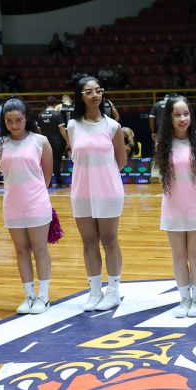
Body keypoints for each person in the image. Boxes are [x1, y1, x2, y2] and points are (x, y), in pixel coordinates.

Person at [60, 76, 126, 312]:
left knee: (109, 240)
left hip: (107, 190)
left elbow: (121, 161)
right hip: (82, 190)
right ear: (80, 96)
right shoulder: (72, 126)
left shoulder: (113, 126)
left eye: (98, 90)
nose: (95, 95)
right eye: (89, 92)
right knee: (88, 241)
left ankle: (114, 291)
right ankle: (95, 290)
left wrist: (103, 175)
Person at [154, 94, 196, 319]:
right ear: (169, 118)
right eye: (177, 115)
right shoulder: (163, 144)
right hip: (173, 205)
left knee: (195, 254)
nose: (183, 119)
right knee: (178, 255)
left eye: (186, 114)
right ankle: (184, 299)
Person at [0, 97, 55, 315]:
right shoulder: (1, 143)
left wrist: (37, 194)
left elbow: (47, 175)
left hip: (36, 202)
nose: (14, 125)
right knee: (21, 250)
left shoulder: (40, 141)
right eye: (9, 121)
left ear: (26, 118)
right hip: (12, 204)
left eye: (18, 120)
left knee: (40, 249)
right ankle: (29, 295)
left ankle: (44, 296)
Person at [37, 96, 68, 187]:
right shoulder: (57, 114)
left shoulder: (40, 115)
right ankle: (59, 182)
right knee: (56, 161)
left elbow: (39, 130)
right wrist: (67, 141)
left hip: (44, 142)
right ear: (55, 104)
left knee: (45, 162)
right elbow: (61, 129)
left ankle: (48, 182)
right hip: (57, 142)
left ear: (46, 104)